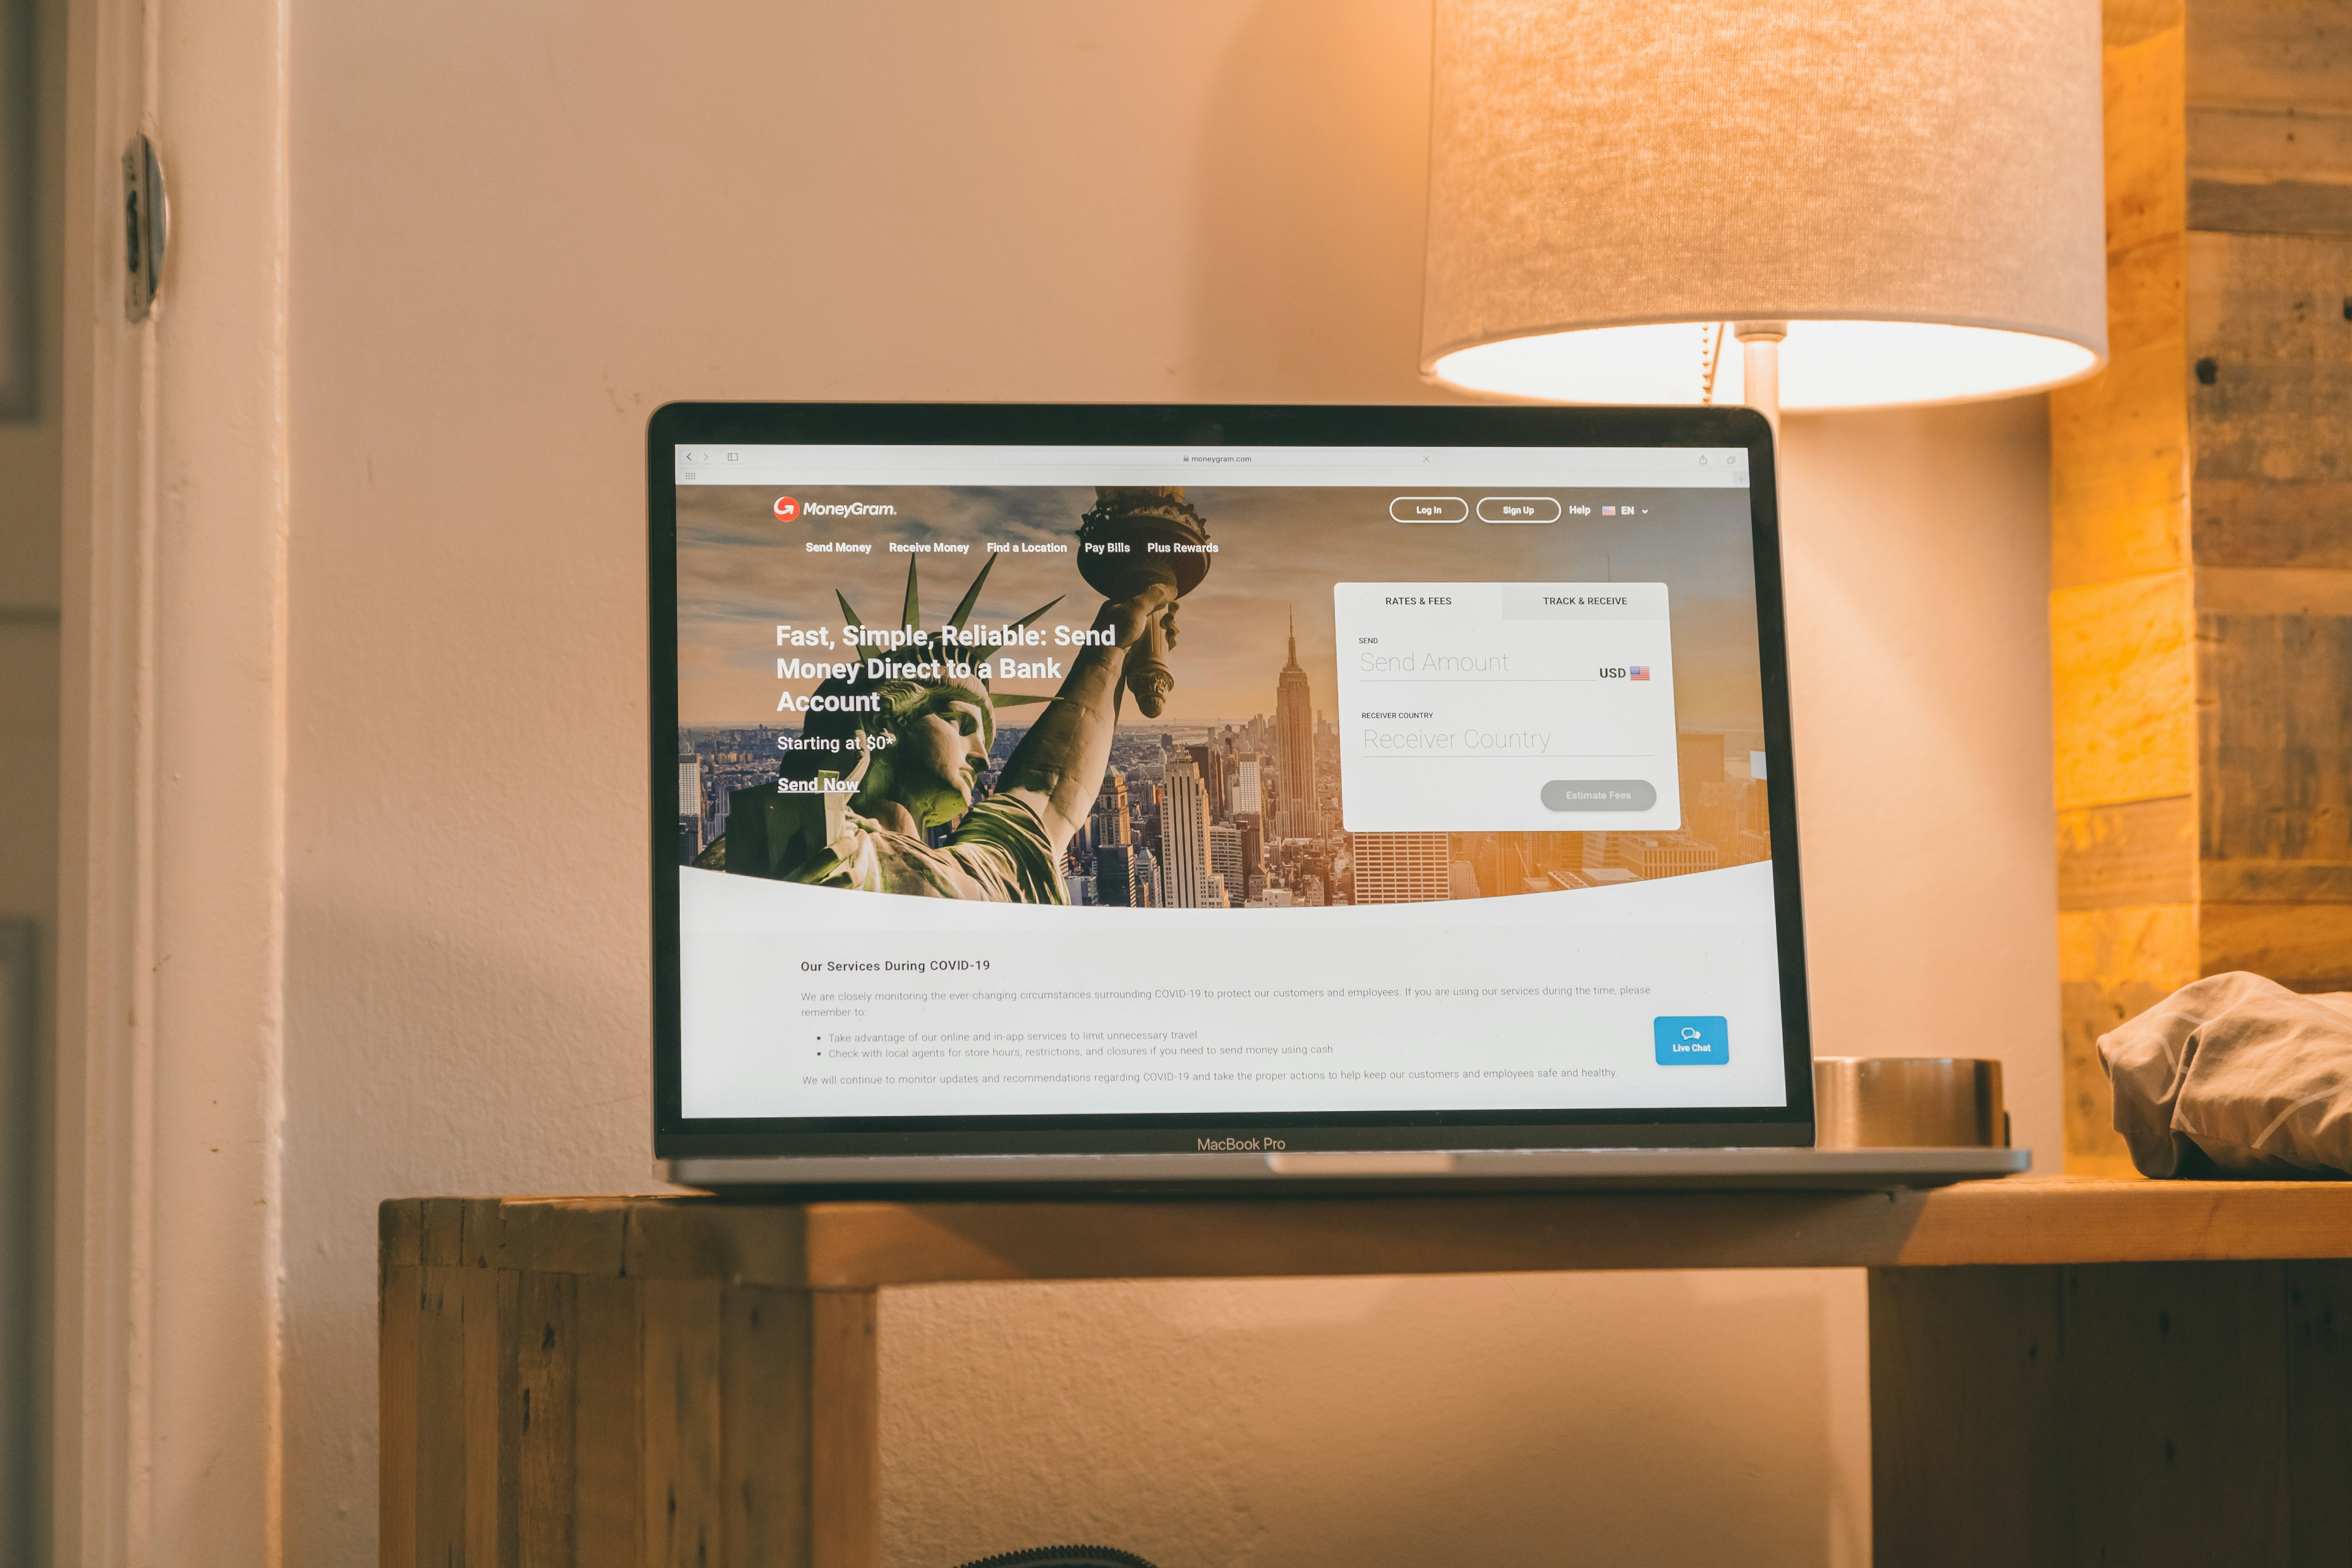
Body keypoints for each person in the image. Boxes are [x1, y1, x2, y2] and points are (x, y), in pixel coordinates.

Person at [772, 582, 1178, 902]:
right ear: (883, 723)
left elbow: (1048, 793)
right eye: (960, 724)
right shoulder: (829, 858)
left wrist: (1114, 644)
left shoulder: (975, 876)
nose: (983, 758)